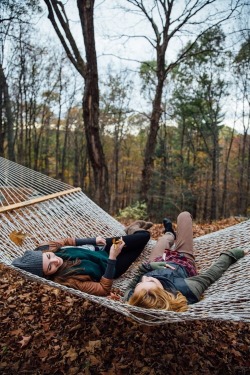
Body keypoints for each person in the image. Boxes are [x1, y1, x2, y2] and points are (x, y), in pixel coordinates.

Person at [123, 211, 248, 311]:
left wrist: (147, 268)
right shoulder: (187, 288)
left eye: (140, 284)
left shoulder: (133, 298)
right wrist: (232, 254)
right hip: (182, 260)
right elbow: (212, 274)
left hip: (155, 262)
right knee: (184, 216)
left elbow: (133, 283)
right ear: (162, 293)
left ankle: (169, 232)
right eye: (150, 281)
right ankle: (169, 234)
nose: (144, 279)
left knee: (164, 240)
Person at [12, 220, 152, 296]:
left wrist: (93, 240)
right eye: (50, 267)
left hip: (104, 246)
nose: (55, 261)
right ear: (46, 275)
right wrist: (112, 258)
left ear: (44, 253)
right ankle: (132, 230)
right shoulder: (70, 280)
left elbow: (67, 241)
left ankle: (132, 230)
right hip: (114, 265)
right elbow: (103, 289)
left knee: (141, 237)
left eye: (49, 257)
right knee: (145, 237)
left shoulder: (46, 247)